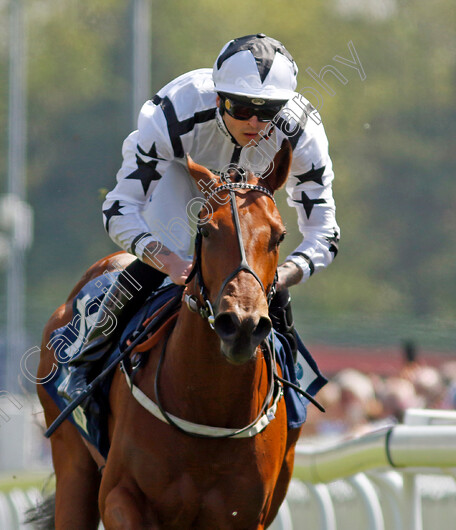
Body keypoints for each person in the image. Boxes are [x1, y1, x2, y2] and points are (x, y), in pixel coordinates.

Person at [59, 34, 340, 399]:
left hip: (255, 191)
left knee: (265, 274)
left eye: (268, 111)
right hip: (183, 178)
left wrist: (283, 275)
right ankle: (87, 364)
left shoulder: (302, 131)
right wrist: (169, 260)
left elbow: (326, 233)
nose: (255, 122)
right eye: (241, 109)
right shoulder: (175, 110)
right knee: (168, 249)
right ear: (218, 98)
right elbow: (119, 209)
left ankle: (292, 386)